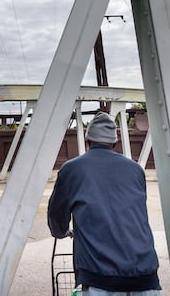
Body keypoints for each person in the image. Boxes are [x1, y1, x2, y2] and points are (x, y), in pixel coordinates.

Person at [48, 112, 161, 296]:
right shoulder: (136, 169)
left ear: (87, 141)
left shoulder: (71, 169)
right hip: (144, 274)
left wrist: (61, 232)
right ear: (115, 144)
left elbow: (56, 216)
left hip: (100, 276)